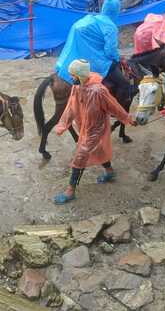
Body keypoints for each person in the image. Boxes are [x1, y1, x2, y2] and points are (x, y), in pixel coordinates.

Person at [53, 60, 136, 204]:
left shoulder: (99, 91)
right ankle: (110, 172)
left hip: (96, 129)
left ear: (80, 75)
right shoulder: (77, 87)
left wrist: (127, 119)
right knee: (98, 150)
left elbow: (114, 107)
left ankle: (70, 191)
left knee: (80, 156)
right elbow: (71, 107)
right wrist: (63, 124)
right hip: (84, 126)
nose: (71, 78)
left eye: (73, 75)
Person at [56, 0, 130, 107]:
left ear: (104, 8)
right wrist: (119, 58)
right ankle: (116, 109)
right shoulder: (110, 26)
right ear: (116, 11)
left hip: (72, 60)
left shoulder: (89, 18)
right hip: (96, 62)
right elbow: (110, 51)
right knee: (124, 84)